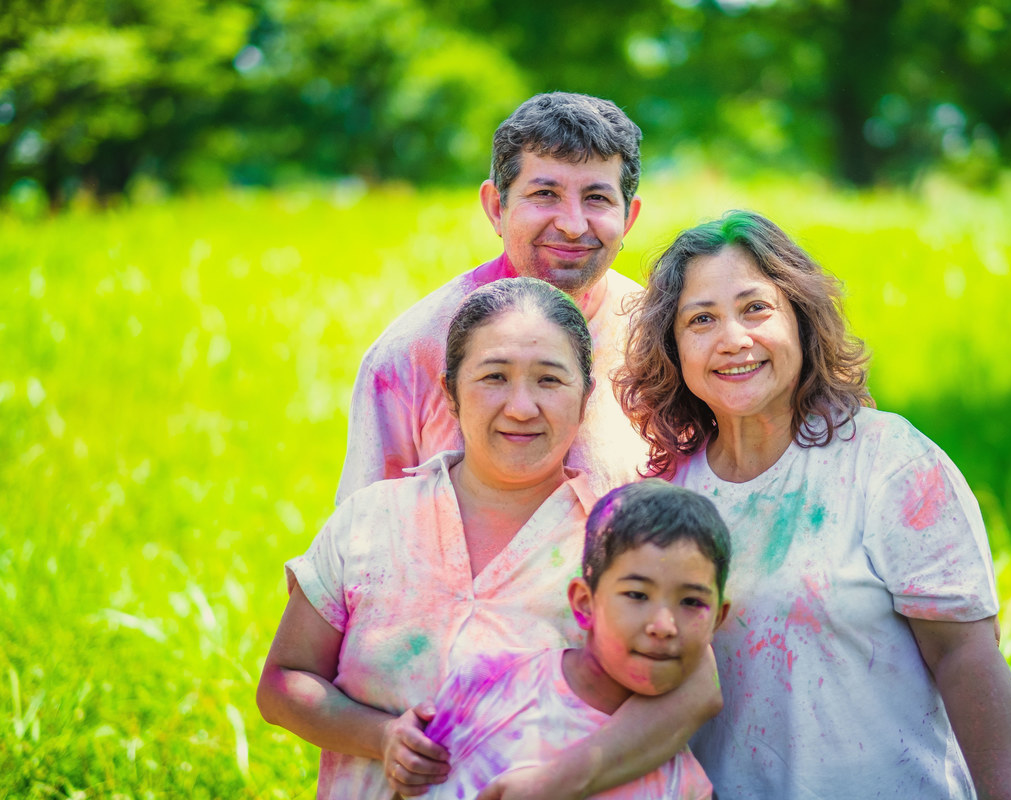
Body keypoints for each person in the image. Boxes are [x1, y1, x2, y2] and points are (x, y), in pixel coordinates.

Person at [613, 211, 1011, 799]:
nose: (733, 338)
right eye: (701, 319)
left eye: (756, 308)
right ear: (674, 348)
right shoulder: (668, 497)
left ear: (801, 320)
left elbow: (967, 660)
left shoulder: (889, 462)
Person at [258, 278, 720, 800]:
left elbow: (691, 688)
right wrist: (382, 736)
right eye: (494, 377)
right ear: (450, 392)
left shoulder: (618, 544)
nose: (521, 407)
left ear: (586, 395)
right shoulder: (372, 520)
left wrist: (556, 781)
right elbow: (283, 682)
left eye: (549, 380)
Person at [337, 91, 647, 505]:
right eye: (544, 194)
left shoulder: (659, 335)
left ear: (628, 217)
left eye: (597, 198)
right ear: (496, 208)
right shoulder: (410, 354)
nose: (573, 225)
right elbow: (364, 535)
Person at [421, 479, 731, 800]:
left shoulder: (683, 789)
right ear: (585, 604)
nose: (664, 626)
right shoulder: (487, 684)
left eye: (691, 602)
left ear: (717, 621)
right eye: (637, 594)